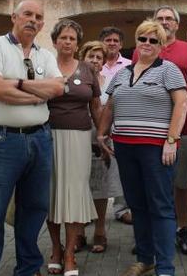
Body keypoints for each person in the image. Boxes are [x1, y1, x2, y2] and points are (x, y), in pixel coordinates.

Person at [0, 0, 66, 276]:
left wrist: (19, 83)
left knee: (34, 208)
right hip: (0, 140)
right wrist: (37, 95)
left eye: (38, 16)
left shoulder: (46, 55)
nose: (33, 20)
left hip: (40, 140)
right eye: (27, 14)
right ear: (14, 16)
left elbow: (58, 89)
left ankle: (26, 269)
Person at [97, 19, 187, 276]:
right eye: (142, 39)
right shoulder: (122, 74)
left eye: (153, 40)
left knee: (160, 206)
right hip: (125, 148)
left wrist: (171, 140)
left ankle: (166, 267)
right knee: (137, 205)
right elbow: (111, 105)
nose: (147, 44)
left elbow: (181, 105)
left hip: (156, 149)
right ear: (136, 42)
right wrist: (102, 134)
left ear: (160, 45)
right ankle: (146, 258)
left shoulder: (168, 70)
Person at [134, 6, 187, 256]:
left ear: (177, 24)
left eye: (169, 19)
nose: (164, 22)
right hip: (148, 130)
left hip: (184, 129)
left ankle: (182, 228)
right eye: (159, 18)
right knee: (152, 184)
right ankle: (153, 233)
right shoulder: (144, 49)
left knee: (181, 183)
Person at [46, 20, 101, 276]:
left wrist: (101, 134)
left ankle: (69, 253)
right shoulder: (43, 65)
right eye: (63, 37)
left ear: (77, 43)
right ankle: (55, 249)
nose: (67, 42)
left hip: (79, 137)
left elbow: (96, 107)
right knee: (52, 192)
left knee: (75, 192)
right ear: (55, 41)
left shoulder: (88, 69)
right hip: (47, 136)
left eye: (72, 38)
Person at [79, 41, 123, 254]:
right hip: (77, 136)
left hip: (102, 137)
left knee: (101, 187)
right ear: (83, 57)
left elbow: (113, 108)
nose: (95, 61)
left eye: (99, 58)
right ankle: (78, 232)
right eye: (91, 56)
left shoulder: (109, 82)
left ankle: (99, 231)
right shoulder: (75, 79)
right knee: (78, 186)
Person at [98, 26, 134, 225]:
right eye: (108, 39)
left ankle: (122, 209)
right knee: (96, 169)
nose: (112, 43)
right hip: (95, 123)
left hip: (121, 122)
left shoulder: (129, 65)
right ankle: (92, 211)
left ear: (121, 44)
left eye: (115, 40)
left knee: (122, 168)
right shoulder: (94, 63)